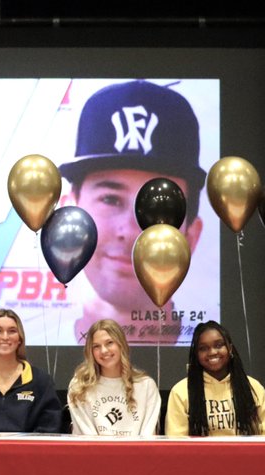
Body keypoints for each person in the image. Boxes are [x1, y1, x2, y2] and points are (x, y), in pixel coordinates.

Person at [58, 80, 209, 345]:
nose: (129, 231)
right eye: (110, 199)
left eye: (158, 206)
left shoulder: (226, 353)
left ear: (191, 237)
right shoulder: (26, 353)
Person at [165, 320, 265, 436]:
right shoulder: (180, 392)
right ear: (196, 355)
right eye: (203, 348)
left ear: (230, 348)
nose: (212, 352)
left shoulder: (253, 387)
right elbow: (176, 440)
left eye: (218, 345)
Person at [67, 319, 161, 436]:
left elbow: (148, 436)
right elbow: (86, 439)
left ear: (121, 345)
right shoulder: (79, 387)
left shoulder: (146, 386)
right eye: (96, 346)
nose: (103, 350)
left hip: (137, 449)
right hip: (93, 448)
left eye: (109, 343)